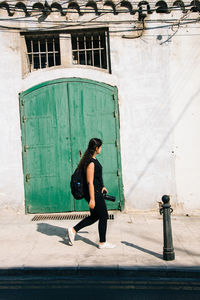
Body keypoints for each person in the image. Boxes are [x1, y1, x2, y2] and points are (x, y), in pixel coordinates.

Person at [67, 138, 116, 249]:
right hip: (94, 193)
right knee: (104, 216)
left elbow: (96, 178)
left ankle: (73, 230)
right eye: (100, 147)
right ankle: (102, 243)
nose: (101, 149)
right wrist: (92, 199)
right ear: (96, 148)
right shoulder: (90, 163)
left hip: (98, 191)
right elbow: (89, 182)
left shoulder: (92, 159)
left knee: (95, 216)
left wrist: (102, 186)